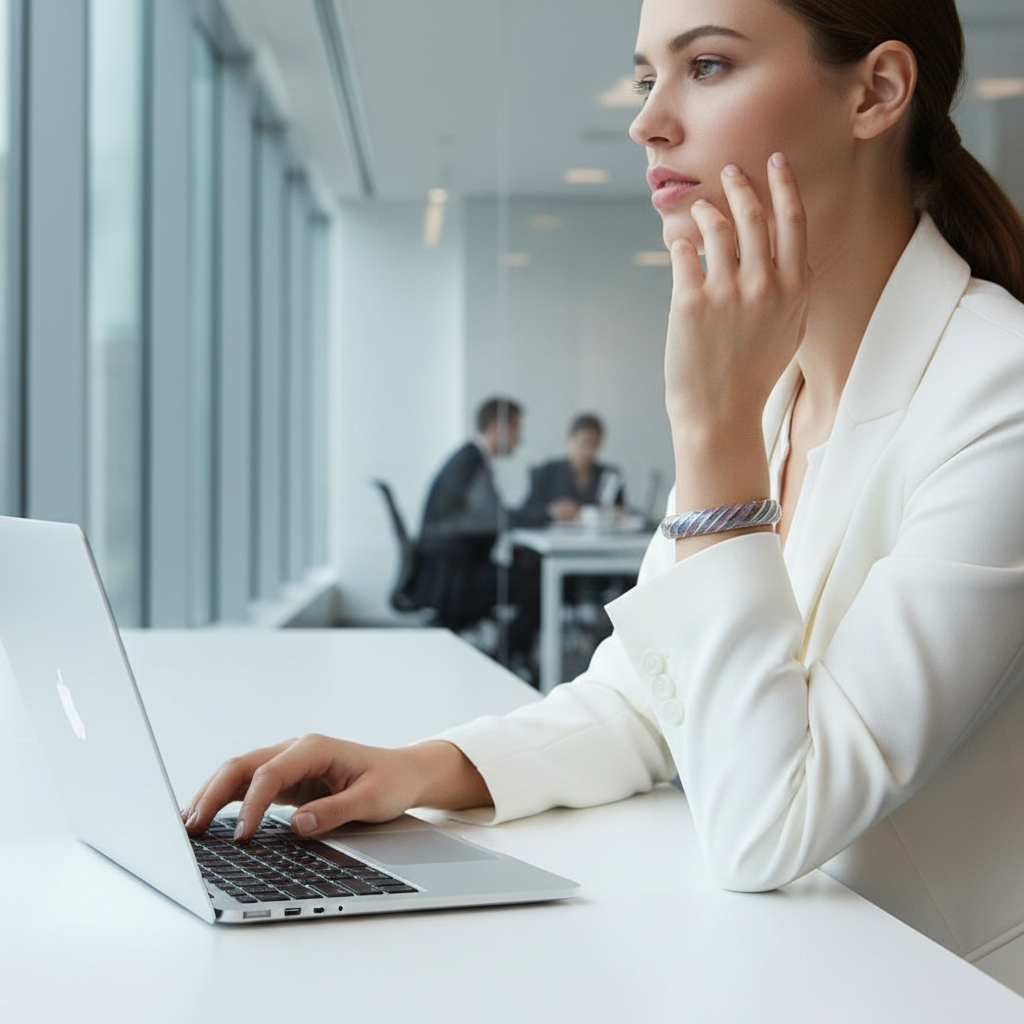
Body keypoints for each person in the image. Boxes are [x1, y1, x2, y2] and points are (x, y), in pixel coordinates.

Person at [184, 0, 1024, 978]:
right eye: (645, 78)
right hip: (785, 961)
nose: (646, 122)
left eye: (706, 66)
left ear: (875, 91)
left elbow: (768, 824)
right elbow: (644, 695)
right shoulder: (773, 390)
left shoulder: (996, 395)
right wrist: (420, 769)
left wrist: (709, 434)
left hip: (928, 981)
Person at [408, 396, 543, 674]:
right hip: (455, 578)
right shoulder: (471, 463)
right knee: (536, 585)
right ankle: (503, 660)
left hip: (447, 572)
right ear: (499, 428)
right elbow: (499, 519)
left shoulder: (469, 459)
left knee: (528, 567)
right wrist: (549, 514)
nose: (519, 439)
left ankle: (505, 654)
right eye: (516, 429)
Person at [523, 414, 626, 524]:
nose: (589, 451)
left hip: (600, 534)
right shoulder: (547, 473)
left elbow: (622, 511)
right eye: (585, 443)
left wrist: (614, 513)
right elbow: (526, 511)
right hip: (556, 533)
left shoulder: (609, 475)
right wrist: (551, 512)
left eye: (595, 445)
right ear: (570, 440)